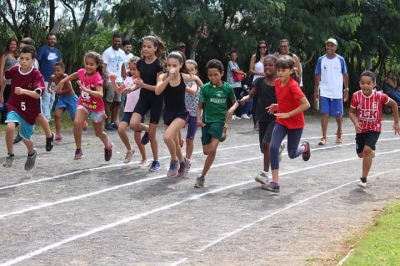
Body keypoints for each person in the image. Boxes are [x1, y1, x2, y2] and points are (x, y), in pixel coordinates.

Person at [262, 56, 311, 193]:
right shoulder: (277, 83)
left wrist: (289, 114)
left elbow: (306, 104)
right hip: (282, 120)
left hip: (295, 123)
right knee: (273, 146)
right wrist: (278, 106)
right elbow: (286, 99)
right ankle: (275, 182)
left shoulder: (293, 85)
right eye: (278, 70)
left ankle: (304, 147)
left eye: (283, 70)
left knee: (292, 153)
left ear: (291, 71)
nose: (280, 73)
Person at [55, 51, 113, 161]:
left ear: (97, 65)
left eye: (91, 64)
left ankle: (108, 146)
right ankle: (78, 150)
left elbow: (100, 95)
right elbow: (76, 74)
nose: (88, 66)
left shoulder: (97, 78)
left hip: (96, 107)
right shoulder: (82, 72)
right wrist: (63, 81)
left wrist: (87, 90)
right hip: (84, 104)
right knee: (77, 122)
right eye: (87, 63)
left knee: (98, 133)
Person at [349, 70, 400, 188]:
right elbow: (351, 112)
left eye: (368, 83)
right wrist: (356, 122)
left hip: (374, 128)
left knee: (367, 150)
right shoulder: (356, 96)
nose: (365, 86)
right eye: (362, 83)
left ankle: (363, 179)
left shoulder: (379, 96)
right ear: (359, 83)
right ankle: (370, 152)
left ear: (374, 84)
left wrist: (396, 122)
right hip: (361, 128)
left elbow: (394, 105)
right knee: (361, 154)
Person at [155, 52, 203, 178]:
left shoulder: (185, 77)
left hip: (181, 113)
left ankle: (174, 161)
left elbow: (198, 82)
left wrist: (208, 93)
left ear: (181, 65)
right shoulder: (162, 77)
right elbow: (157, 91)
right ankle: (183, 162)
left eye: (174, 65)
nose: (171, 68)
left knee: (167, 137)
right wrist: (168, 78)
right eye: (169, 65)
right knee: (175, 143)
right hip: (167, 113)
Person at [240, 55, 284, 185]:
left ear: (276, 67)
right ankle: (278, 147)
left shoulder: (280, 82)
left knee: (266, 143)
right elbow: (251, 94)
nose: (267, 67)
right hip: (261, 116)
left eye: (270, 65)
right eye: (265, 65)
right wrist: (245, 98)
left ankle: (265, 174)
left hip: (275, 117)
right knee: (263, 148)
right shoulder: (259, 81)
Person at [194, 59, 238, 188]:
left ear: (222, 73)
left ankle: (201, 176)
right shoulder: (205, 88)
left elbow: (235, 102)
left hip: (219, 121)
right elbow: (200, 106)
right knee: (206, 151)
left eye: (215, 74)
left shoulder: (227, 88)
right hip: (207, 121)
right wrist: (198, 119)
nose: (213, 77)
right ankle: (223, 134)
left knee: (213, 150)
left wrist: (232, 108)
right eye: (210, 75)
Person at [2, 45, 45, 170]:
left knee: (26, 139)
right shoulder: (14, 70)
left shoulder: (36, 74)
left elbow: (37, 95)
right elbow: (4, 78)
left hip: (29, 111)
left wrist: (24, 91)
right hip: (14, 105)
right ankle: (10, 155)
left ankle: (32, 153)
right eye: (21, 58)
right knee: (10, 127)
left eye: (27, 59)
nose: (24, 62)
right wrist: (1, 93)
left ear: (33, 61)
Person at [130, 35, 167, 172]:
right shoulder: (140, 63)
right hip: (144, 98)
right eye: (144, 46)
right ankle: (147, 129)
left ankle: (156, 161)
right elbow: (139, 81)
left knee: (153, 135)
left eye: (149, 46)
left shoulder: (159, 65)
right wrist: (131, 88)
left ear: (155, 48)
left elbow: (158, 90)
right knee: (133, 124)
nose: (145, 49)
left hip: (157, 100)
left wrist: (143, 85)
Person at [13, 37, 54, 152]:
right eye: (20, 48)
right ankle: (21, 133)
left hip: (32, 93)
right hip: (22, 93)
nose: (20, 49)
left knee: (39, 116)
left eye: (22, 47)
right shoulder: (20, 59)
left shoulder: (32, 62)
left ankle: (49, 135)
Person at [109, 56, 150, 167]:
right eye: (130, 69)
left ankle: (145, 158)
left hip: (139, 111)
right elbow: (118, 90)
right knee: (121, 129)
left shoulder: (142, 81)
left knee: (138, 138)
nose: (132, 71)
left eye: (134, 69)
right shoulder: (128, 79)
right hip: (128, 110)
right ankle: (129, 149)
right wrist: (113, 82)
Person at [314, 38, 349, 145]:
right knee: (324, 113)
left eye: (332, 45)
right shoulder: (321, 59)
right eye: (328, 45)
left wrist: (346, 89)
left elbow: (345, 75)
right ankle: (324, 137)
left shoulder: (340, 60)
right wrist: (316, 90)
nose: (329, 47)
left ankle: (339, 131)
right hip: (324, 90)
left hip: (337, 91)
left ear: (336, 47)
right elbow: (317, 75)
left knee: (338, 116)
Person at [48, 61, 80, 142]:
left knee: (75, 118)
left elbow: (70, 88)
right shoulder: (53, 77)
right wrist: (48, 89)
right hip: (62, 98)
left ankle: (80, 128)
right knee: (56, 115)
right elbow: (49, 82)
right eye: (54, 70)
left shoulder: (65, 76)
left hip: (71, 98)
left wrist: (59, 91)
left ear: (63, 70)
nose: (56, 72)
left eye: (58, 70)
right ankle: (58, 134)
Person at [102, 32, 125, 130]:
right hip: (110, 80)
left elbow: (123, 66)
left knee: (117, 102)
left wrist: (125, 79)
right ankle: (107, 123)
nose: (117, 43)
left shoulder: (122, 52)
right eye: (115, 41)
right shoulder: (107, 52)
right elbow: (103, 67)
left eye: (119, 41)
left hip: (119, 80)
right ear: (112, 40)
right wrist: (104, 80)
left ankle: (114, 121)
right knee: (108, 101)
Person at [36, 33, 62, 121]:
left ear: (56, 40)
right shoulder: (43, 49)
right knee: (46, 98)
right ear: (47, 40)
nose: (52, 40)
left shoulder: (56, 51)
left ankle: (46, 116)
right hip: (45, 78)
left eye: (54, 39)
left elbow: (60, 61)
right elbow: (37, 62)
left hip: (55, 79)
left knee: (52, 99)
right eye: (50, 39)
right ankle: (46, 117)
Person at [183, 59, 201, 174]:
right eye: (186, 70)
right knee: (173, 131)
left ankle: (187, 160)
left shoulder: (194, 82)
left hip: (194, 114)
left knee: (190, 138)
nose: (189, 73)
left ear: (196, 71)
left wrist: (180, 86)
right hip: (183, 112)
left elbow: (193, 91)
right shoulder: (182, 80)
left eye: (192, 71)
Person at [249, 41, 268, 130]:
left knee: (265, 102)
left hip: (267, 81)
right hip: (256, 81)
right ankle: (255, 122)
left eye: (264, 47)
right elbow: (251, 70)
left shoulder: (269, 57)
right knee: (256, 103)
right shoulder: (254, 57)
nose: (262, 49)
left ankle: (264, 121)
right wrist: (260, 73)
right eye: (260, 47)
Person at [226, 50, 252, 120]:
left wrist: (242, 74)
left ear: (236, 56)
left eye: (235, 55)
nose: (233, 57)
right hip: (231, 83)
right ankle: (231, 114)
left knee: (237, 99)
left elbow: (238, 72)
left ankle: (236, 114)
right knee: (232, 99)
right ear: (230, 56)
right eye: (232, 55)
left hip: (238, 83)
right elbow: (234, 70)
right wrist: (243, 73)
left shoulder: (236, 63)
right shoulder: (230, 62)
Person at [0, 37, 19, 124]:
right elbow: (1, 68)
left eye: (14, 44)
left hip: (15, 82)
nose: (13, 46)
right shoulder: (5, 55)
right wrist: (1, 80)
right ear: (8, 45)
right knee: (5, 100)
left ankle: (11, 118)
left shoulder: (17, 56)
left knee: (12, 100)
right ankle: (3, 119)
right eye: (11, 44)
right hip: (6, 81)